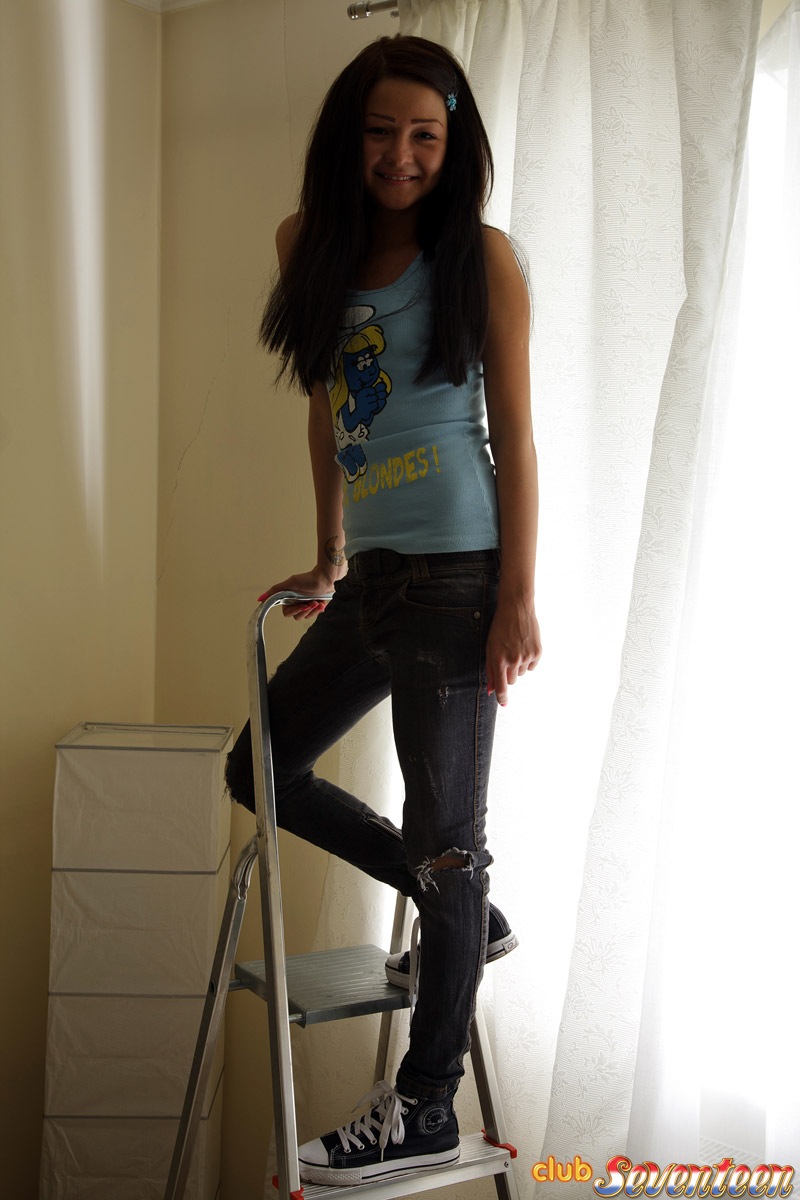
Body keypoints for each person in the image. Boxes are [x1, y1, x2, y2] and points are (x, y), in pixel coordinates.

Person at [225, 33, 541, 1186]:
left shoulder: (480, 259)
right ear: (344, 137)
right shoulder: (304, 243)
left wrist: (517, 596)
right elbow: (327, 413)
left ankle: (423, 1105)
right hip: (373, 576)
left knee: (451, 844)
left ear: (453, 146)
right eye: (378, 131)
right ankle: (462, 913)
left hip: (458, 574)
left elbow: (513, 436)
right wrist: (327, 555)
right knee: (260, 767)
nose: (400, 154)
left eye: (424, 135)